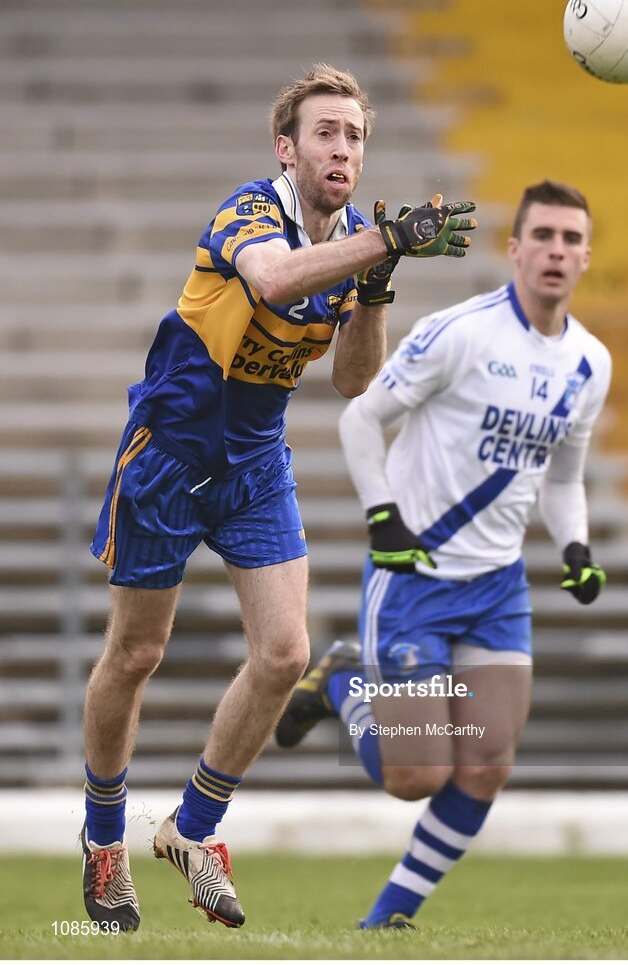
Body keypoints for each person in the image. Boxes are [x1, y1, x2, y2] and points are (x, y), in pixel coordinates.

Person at [80, 61, 477, 932]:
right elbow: (269, 281)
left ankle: (192, 830)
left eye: (356, 135)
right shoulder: (249, 211)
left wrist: (376, 287)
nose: (342, 147)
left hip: (257, 463)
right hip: (168, 458)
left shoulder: (357, 244)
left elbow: (353, 380)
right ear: (287, 149)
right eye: (326, 133)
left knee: (286, 654)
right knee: (137, 655)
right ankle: (104, 838)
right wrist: (387, 243)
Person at [276, 179, 611, 929]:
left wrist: (576, 546)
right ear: (515, 248)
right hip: (414, 578)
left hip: (497, 588)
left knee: (487, 764)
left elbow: (562, 477)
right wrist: (382, 518)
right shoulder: (460, 333)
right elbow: (362, 421)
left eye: (571, 239)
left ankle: (389, 918)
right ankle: (339, 686)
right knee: (417, 775)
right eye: (544, 236)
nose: (556, 250)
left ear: (585, 258)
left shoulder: (590, 364)